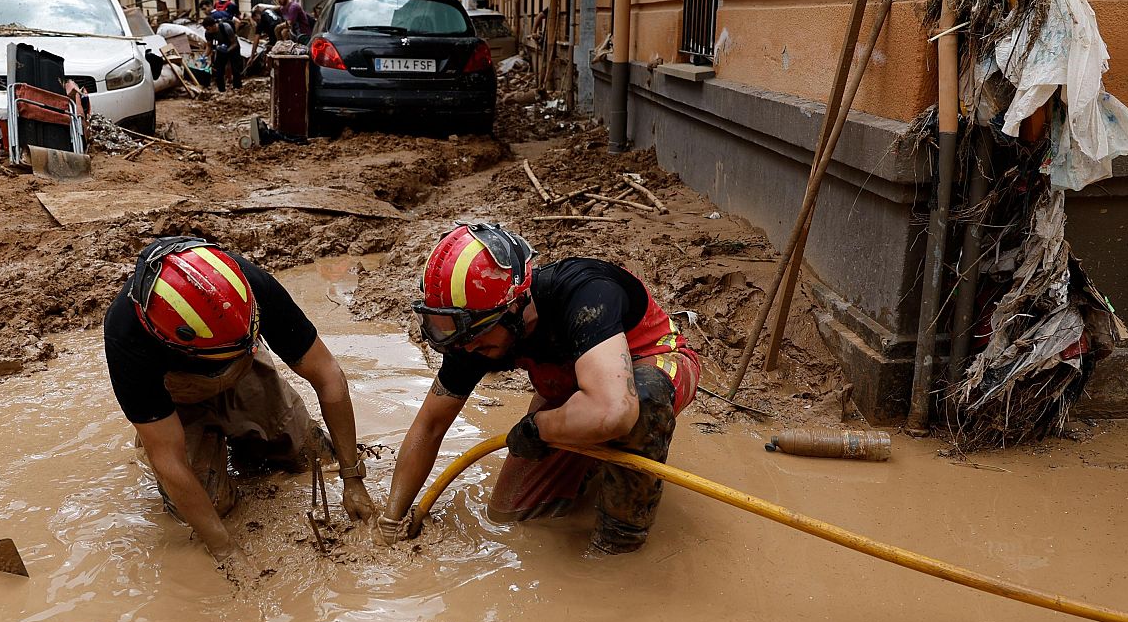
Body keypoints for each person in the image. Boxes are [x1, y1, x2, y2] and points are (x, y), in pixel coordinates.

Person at [377, 223, 701, 554]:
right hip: (575, 387)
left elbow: (614, 411)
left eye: (475, 338)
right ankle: (591, 460)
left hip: (652, 365)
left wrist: (539, 428)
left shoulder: (585, 292)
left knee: (638, 408)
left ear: (515, 307)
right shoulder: (475, 332)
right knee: (509, 512)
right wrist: (393, 518)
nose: (467, 350)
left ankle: (619, 543)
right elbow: (430, 425)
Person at [104, 237, 375, 579]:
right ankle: (161, 435)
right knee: (210, 507)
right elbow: (169, 458)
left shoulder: (247, 284)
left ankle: (245, 428)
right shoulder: (126, 333)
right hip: (175, 397)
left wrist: (352, 478)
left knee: (312, 458)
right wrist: (225, 550)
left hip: (242, 366)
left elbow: (328, 376)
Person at [202, 15, 242, 91]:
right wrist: (204, 56)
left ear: (213, 25)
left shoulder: (226, 27)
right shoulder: (208, 33)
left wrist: (227, 50)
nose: (207, 30)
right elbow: (209, 46)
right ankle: (221, 89)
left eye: (208, 28)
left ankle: (237, 88)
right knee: (219, 69)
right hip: (221, 48)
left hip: (232, 47)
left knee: (235, 68)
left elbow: (234, 43)